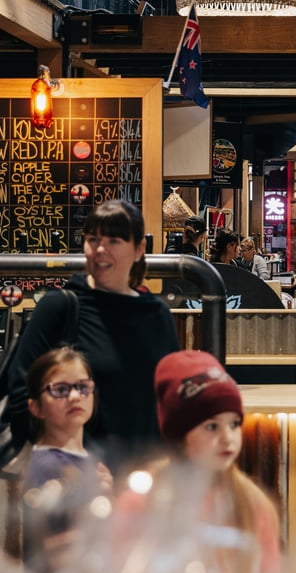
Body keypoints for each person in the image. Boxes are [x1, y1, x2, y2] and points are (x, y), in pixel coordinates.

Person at [8, 200, 179, 474]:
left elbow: (168, 401)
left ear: (139, 249)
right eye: (93, 239)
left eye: (114, 240)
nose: (101, 249)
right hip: (75, 484)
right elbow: (20, 395)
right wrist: (72, 466)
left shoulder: (156, 314)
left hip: (145, 484)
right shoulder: (61, 307)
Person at [116, 350, 282, 573]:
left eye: (234, 424)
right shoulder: (142, 500)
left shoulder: (252, 504)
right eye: (212, 426)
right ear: (180, 435)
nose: (227, 438)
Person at [22, 347, 113, 573]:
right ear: (35, 407)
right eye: (60, 390)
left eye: (83, 387)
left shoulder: (89, 458)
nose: (74, 396)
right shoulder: (46, 465)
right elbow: (52, 550)